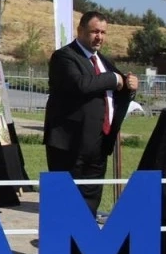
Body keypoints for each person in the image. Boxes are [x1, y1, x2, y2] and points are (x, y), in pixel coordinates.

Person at [44, 12, 137, 220]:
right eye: (94, 31)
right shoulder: (64, 57)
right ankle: (63, 238)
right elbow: (82, 84)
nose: (99, 37)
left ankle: (86, 237)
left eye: (103, 32)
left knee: (90, 201)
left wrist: (130, 86)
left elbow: (120, 86)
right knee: (66, 202)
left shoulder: (102, 61)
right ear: (80, 31)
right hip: (69, 144)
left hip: (98, 144)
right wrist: (114, 78)